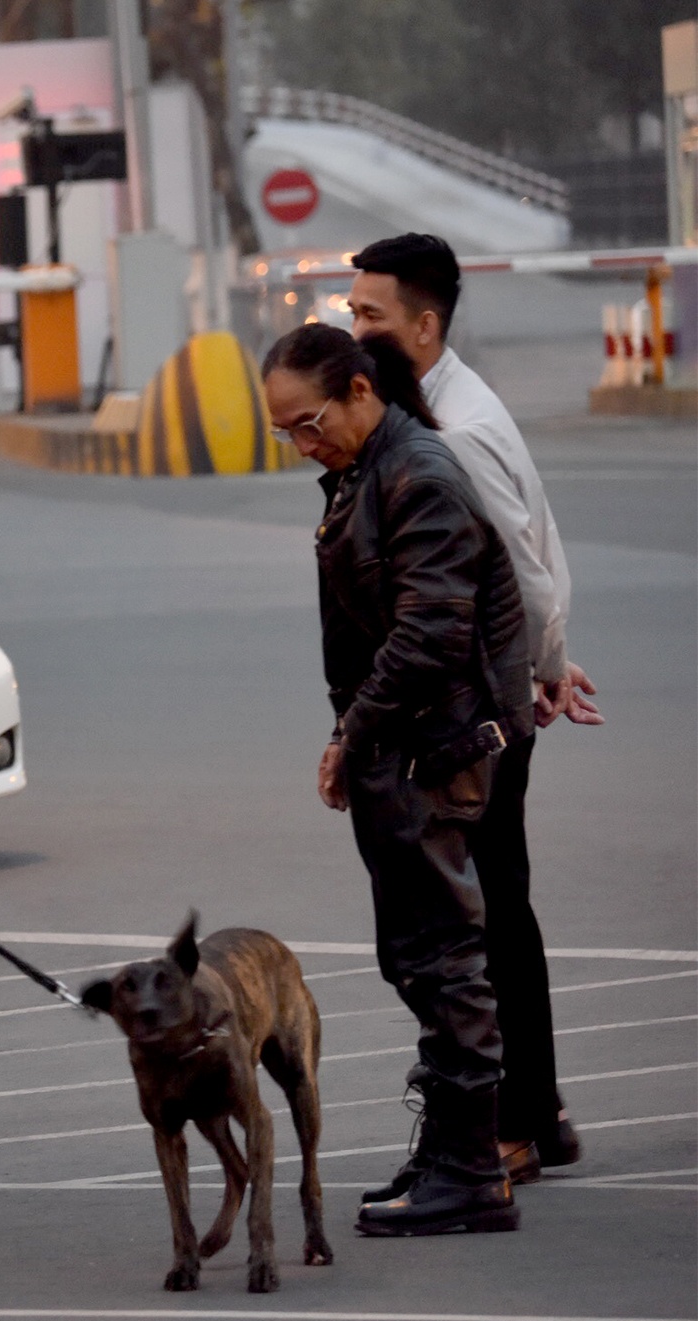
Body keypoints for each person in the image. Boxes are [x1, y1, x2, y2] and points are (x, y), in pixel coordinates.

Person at [264, 323, 534, 1237]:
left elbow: (430, 635)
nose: (303, 445)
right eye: (285, 434)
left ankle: (472, 1170)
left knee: (446, 958)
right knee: (416, 956)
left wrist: (353, 734)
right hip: (397, 745)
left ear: (359, 390)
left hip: (432, 748)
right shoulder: (366, 472)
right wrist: (354, 734)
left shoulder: (419, 474)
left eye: (308, 423)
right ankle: (452, 1152)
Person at [347, 233, 601, 1182]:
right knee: (498, 909)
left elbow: (522, 566)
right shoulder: (447, 402)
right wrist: (547, 661)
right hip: (498, 693)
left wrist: (545, 668)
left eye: (371, 315)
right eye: (352, 312)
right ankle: (542, 1112)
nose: (356, 330)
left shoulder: (453, 431)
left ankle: (517, 1124)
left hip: (480, 712)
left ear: (425, 325)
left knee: (483, 921)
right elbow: (540, 540)